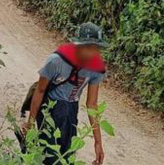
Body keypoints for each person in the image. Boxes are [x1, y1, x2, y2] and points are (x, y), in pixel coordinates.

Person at [21, 22, 108, 165]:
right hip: (49, 109)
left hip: (70, 113)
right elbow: (40, 91)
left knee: (67, 156)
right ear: (77, 45)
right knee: (50, 156)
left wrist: (98, 142)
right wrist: (30, 123)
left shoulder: (96, 68)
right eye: (88, 47)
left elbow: (92, 104)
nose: (93, 53)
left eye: (96, 49)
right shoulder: (56, 61)